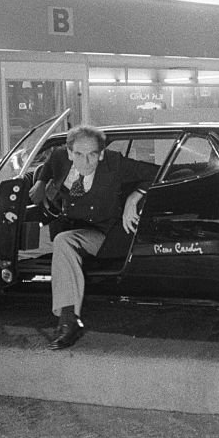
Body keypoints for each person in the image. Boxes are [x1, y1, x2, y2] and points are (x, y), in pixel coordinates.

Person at [29, 125, 158, 350]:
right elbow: (48, 166)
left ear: (101, 155)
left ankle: (69, 321)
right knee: (20, 242)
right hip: (66, 225)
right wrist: (40, 182)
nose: (85, 161)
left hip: (100, 233)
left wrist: (135, 197)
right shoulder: (60, 156)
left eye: (92, 155)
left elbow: (158, 173)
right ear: (70, 153)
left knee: (64, 243)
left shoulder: (115, 164)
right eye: (79, 154)